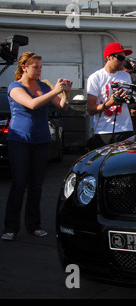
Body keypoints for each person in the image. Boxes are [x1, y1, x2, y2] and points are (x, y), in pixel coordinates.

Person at [1, 52, 72, 241]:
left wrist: (66, 92)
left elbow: (63, 106)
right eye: (36, 67)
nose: (39, 70)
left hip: (41, 141)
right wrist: (55, 91)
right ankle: (10, 227)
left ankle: (34, 225)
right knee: (19, 184)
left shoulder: (44, 86)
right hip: (20, 141)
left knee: (36, 186)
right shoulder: (15, 87)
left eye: (41, 67)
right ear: (24, 67)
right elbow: (32, 104)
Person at [86, 42, 135, 148]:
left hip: (125, 129)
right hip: (104, 130)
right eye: (120, 58)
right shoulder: (96, 77)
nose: (123, 61)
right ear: (109, 58)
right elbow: (91, 109)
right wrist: (110, 103)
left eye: (124, 58)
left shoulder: (126, 76)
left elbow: (129, 104)